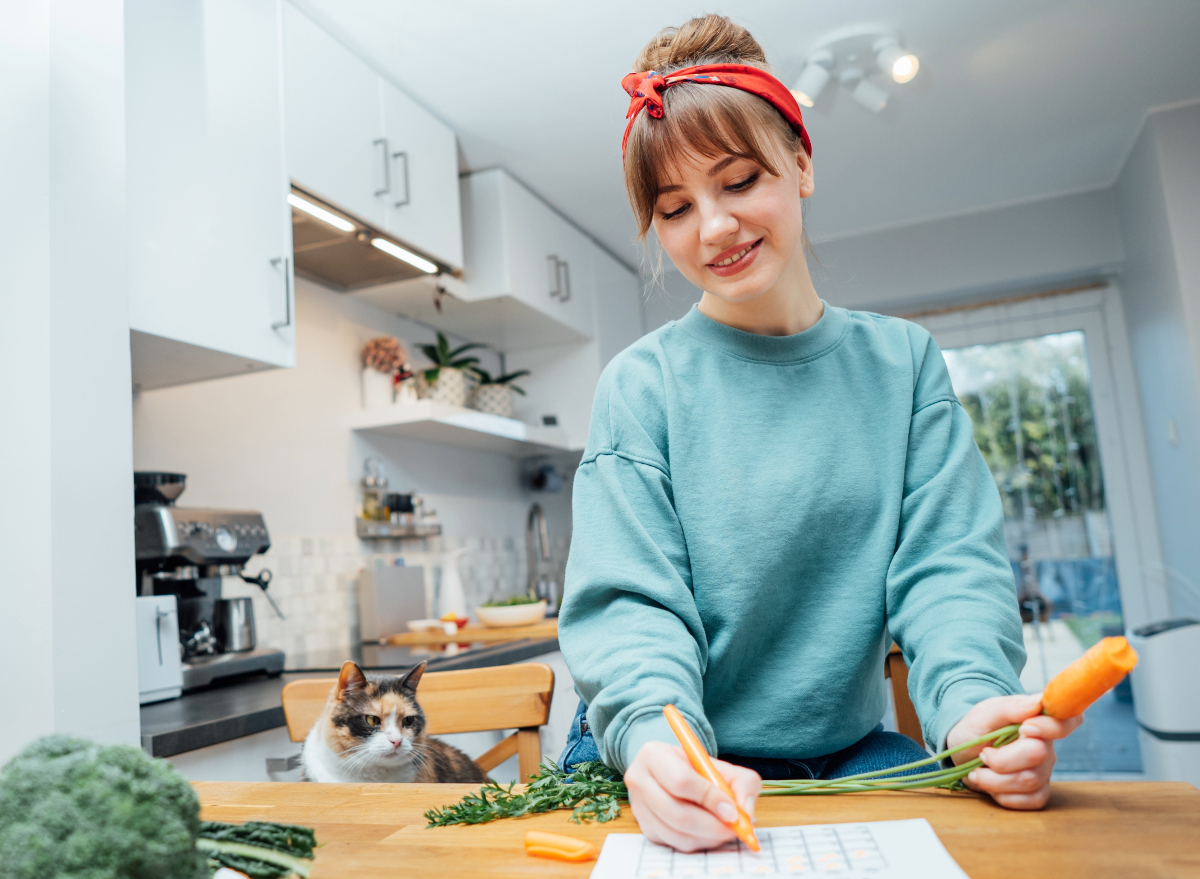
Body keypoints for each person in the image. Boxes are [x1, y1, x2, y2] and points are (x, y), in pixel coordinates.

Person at [557, 14, 1082, 854]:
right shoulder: (641, 384)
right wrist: (664, 747)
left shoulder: (901, 365)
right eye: (676, 207)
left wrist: (976, 703)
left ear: (800, 164)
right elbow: (631, 607)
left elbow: (948, 568)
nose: (715, 227)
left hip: (844, 754)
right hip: (669, 752)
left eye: (737, 181)